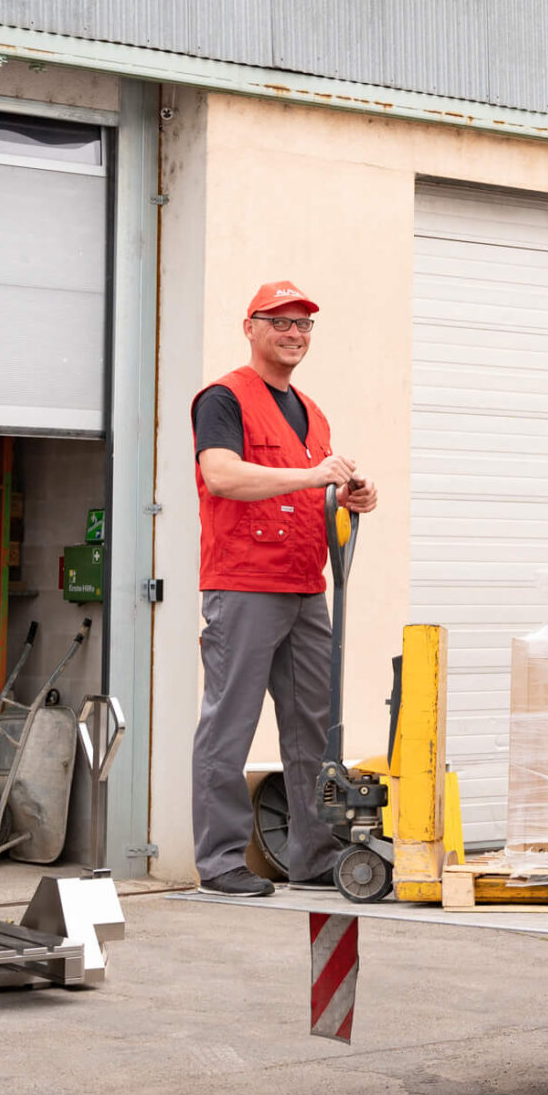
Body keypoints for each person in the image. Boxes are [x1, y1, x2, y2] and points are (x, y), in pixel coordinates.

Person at [189, 281, 379, 895]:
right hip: (245, 583)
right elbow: (221, 475)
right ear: (250, 327)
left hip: (304, 585)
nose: (293, 334)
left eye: (302, 324)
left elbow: (311, 486)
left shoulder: (312, 412)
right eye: (279, 322)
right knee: (230, 724)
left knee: (312, 727)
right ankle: (220, 861)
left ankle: (315, 855)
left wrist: (348, 495)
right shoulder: (224, 399)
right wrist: (310, 473)